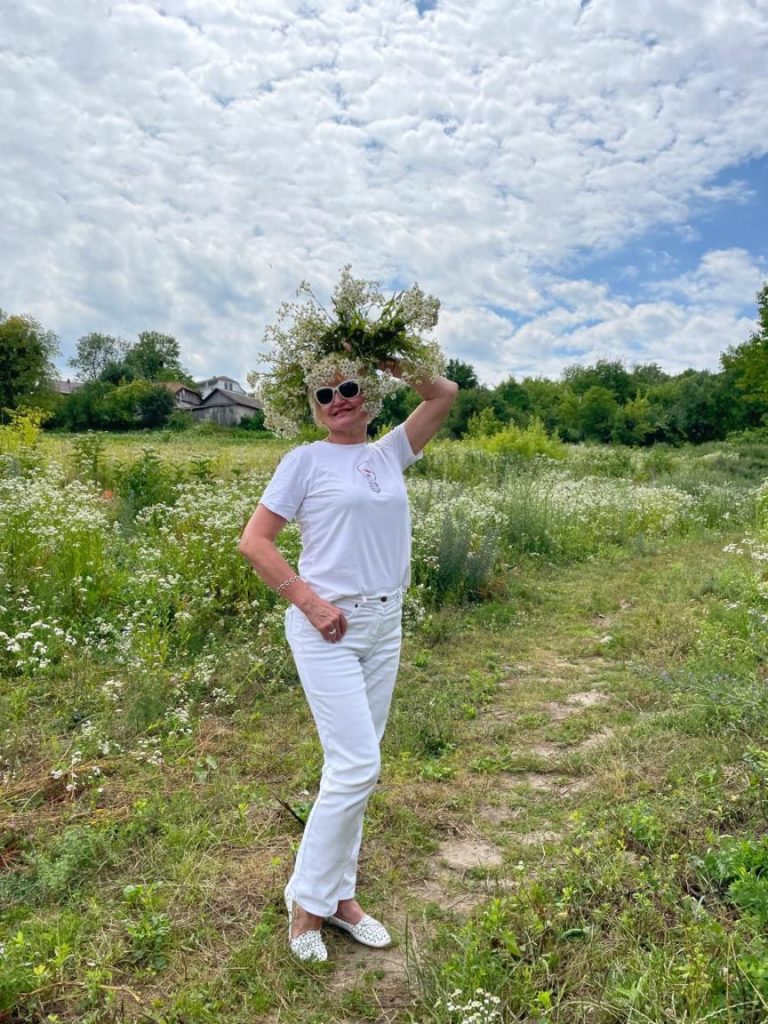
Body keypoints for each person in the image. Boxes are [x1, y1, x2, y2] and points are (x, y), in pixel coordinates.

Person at [238, 360, 458, 961]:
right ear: (313, 409)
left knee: (354, 766)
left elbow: (443, 392)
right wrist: (309, 602)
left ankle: (341, 897)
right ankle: (307, 904)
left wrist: (384, 353)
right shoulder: (304, 461)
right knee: (358, 763)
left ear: (369, 396)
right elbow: (254, 541)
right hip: (327, 627)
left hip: (385, 621)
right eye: (325, 393)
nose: (338, 399)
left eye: (349, 388)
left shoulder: (389, 453)